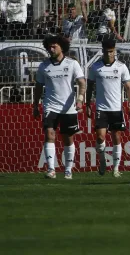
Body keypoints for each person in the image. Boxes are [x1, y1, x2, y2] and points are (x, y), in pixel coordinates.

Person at [33, 35, 86, 180]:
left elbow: (82, 82)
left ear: (61, 47)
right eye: (49, 46)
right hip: (50, 106)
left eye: (54, 46)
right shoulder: (44, 66)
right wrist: (36, 105)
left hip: (68, 107)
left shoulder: (72, 63)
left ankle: (68, 170)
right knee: (49, 134)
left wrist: (80, 100)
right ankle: (51, 169)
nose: (51, 49)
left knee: (68, 138)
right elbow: (38, 87)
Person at [86, 37, 130, 177]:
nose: (109, 54)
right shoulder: (95, 67)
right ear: (102, 51)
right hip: (101, 109)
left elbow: (128, 87)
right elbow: (89, 86)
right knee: (100, 137)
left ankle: (116, 168)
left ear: (115, 51)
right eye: (107, 52)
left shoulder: (121, 67)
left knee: (116, 137)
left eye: (112, 51)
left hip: (116, 109)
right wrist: (88, 104)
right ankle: (102, 159)